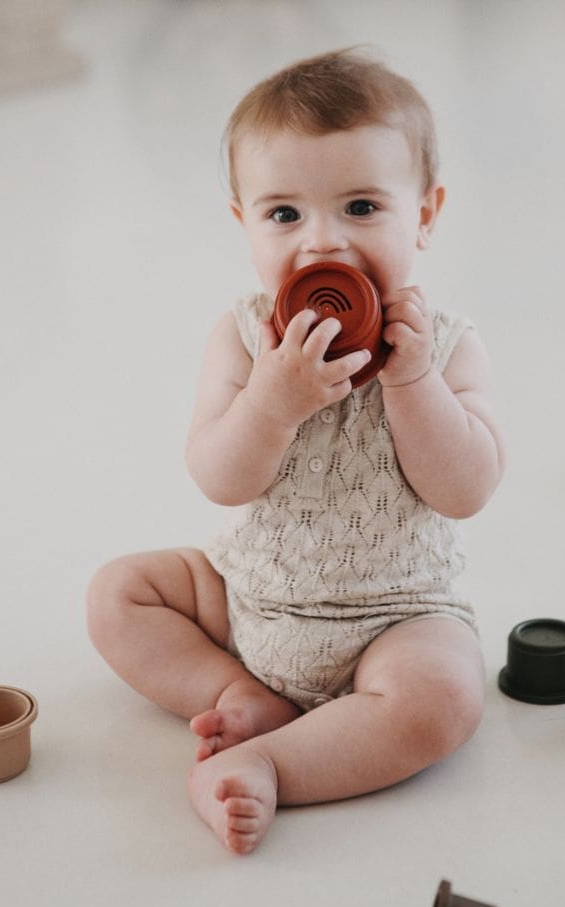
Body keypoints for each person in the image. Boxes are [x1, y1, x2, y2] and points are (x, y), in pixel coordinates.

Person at [87, 47, 505, 854]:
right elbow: (219, 475)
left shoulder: (447, 346)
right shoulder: (242, 338)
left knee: (447, 697)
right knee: (118, 594)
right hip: (250, 596)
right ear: (243, 223)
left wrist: (412, 379)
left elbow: (466, 490)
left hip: (397, 617)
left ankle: (270, 762)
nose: (323, 245)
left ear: (423, 213)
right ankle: (238, 692)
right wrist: (271, 401)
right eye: (285, 215)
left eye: (360, 207)